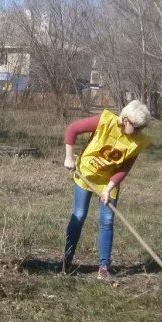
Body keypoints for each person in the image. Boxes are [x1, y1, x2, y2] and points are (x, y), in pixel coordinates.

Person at [62, 100, 151, 280]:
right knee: (78, 215)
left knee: (107, 220)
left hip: (108, 181)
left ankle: (103, 267)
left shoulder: (138, 141)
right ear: (126, 120)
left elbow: (125, 167)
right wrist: (69, 158)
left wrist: (109, 188)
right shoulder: (105, 121)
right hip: (86, 173)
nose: (139, 132)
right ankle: (66, 261)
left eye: (142, 128)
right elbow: (72, 129)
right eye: (137, 127)